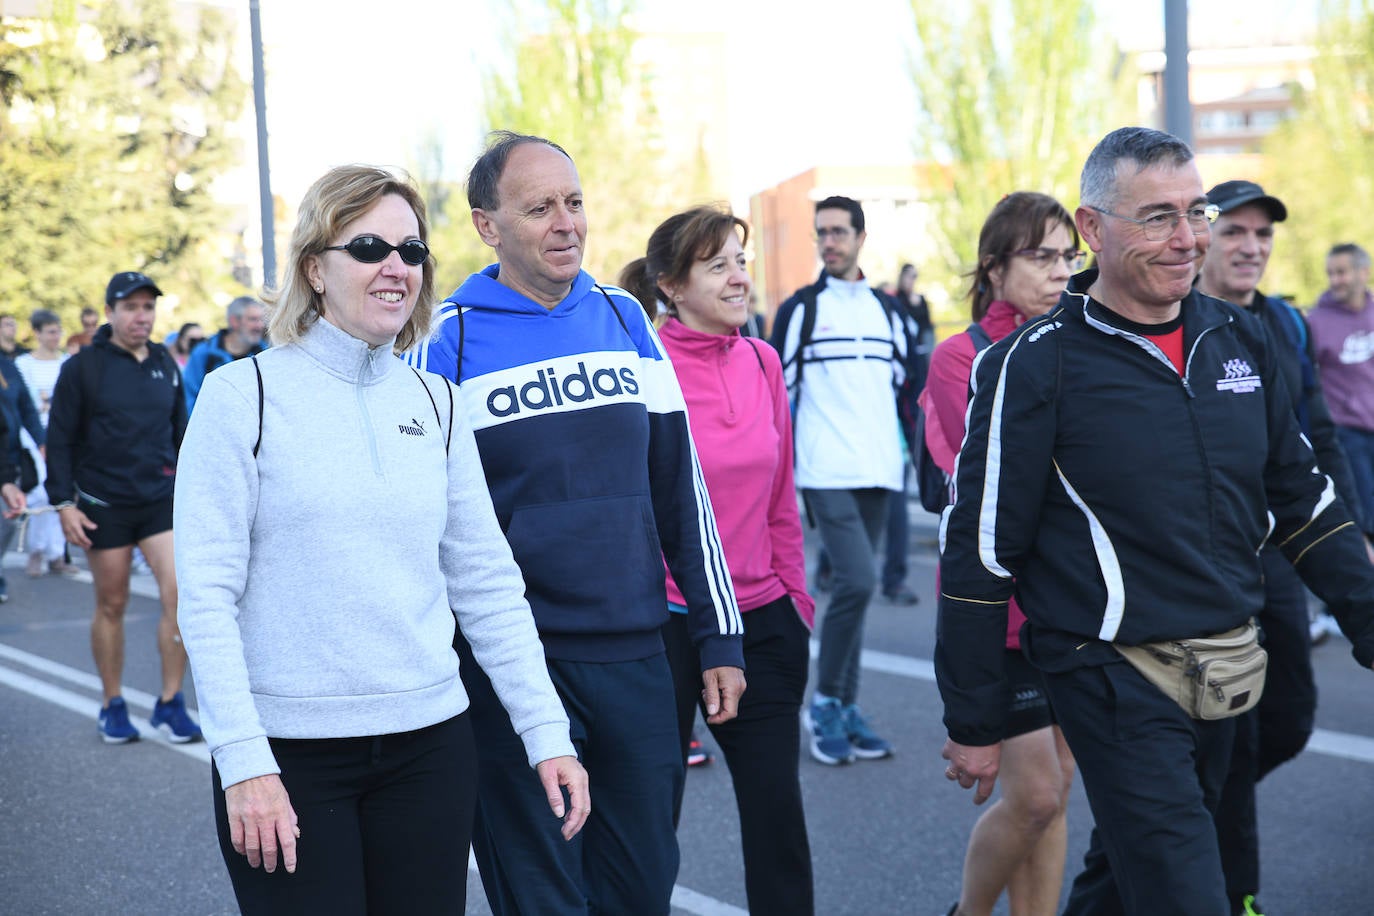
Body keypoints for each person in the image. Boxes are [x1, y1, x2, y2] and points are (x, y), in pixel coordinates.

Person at [936, 126, 1374, 916]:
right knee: (1186, 889)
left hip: (1226, 662)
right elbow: (980, 549)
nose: (1187, 239)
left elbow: (1301, 500)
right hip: (1106, 671)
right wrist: (973, 714)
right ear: (1094, 230)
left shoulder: (1240, 337)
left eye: (1194, 212)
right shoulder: (1032, 363)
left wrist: (1367, 616)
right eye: (1158, 217)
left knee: (1130, 872)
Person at [173, 165, 587, 914]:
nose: (396, 266)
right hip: (289, 760)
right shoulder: (243, 397)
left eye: (412, 249)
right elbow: (204, 599)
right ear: (315, 269)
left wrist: (546, 733)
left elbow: (488, 586)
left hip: (431, 750)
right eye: (368, 246)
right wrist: (242, 761)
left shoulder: (439, 403)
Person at [407, 131, 745, 916]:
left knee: (639, 890)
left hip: (636, 658)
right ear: (488, 226)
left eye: (574, 203)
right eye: (539, 209)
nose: (567, 224)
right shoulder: (448, 340)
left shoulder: (624, 318)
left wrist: (717, 635)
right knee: (543, 897)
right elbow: (428, 524)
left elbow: (679, 489)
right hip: (516, 669)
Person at [620, 205, 815, 915]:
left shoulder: (763, 360)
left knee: (778, 826)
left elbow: (780, 496)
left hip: (764, 618)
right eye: (719, 265)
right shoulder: (644, 368)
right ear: (671, 285)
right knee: (648, 829)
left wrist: (796, 603)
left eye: (741, 260)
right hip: (670, 625)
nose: (740, 278)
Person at [1197, 181, 1367, 916]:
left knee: (1290, 719)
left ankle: (1186, 819)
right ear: (1201, 237)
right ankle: (1236, 892)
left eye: (1262, 236)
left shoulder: (1286, 326)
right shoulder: (1182, 325)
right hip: (1208, 564)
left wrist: (1355, 535)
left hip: (1285, 544)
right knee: (1227, 737)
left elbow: (1319, 435)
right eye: (1234, 231)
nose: (1251, 247)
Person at [926, 193, 1079, 916]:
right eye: (1041, 256)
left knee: (1057, 791)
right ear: (993, 267)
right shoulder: (961, 359)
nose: (1060, 273)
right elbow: (994, 484)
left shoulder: (1077, 344)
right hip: (999, 609)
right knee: (1037, 792)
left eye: (1068, 257)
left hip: (1074, 605)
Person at [769, 195, 907, 765]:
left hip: (879, 469)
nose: (829, 241)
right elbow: (777, 393)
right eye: (821, 232)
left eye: (839, 232)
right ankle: (824, 702)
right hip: (824, 469)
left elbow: (905, 391)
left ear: (860, 237)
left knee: (860, 587)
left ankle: (846, 706)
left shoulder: (890, 311)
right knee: (856, 581)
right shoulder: (801, 308)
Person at [44, 271, 201, 745]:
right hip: (102, 503)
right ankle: (112, 703)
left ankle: (170, 702)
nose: (141, 316)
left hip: (158, 501)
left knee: (180, 597)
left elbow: (182, 433)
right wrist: (64, 503)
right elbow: (60, 438)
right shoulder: (82, 367)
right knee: (112, 603)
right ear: (110, 312)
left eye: (148, 307)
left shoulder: (163, 362)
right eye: (131, 307)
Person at [1307, 243, 1374, 539]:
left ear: (1364, 272)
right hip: (1348, 433)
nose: (1336, 280)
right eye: (1331, 273)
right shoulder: (1316, 323)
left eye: (1342, 272)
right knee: (1365, 510)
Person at [14, 310, 72, 578]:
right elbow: (23, 406)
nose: (55, 336)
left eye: (58, 331)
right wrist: (34, 440)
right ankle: (36, 551)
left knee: (62, 492)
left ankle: (58, 553)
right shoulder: (24, 364)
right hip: (33, 437)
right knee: (39, 494)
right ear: (37, 333)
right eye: (50, 331)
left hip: (62, 435)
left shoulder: (67, 363)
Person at [182, 297, 267, 413]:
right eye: (253, 319)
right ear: (234, 321)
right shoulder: (204, 354)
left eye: (261, 320)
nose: (259, 326)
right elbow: (190, 397)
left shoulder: (264, 355)